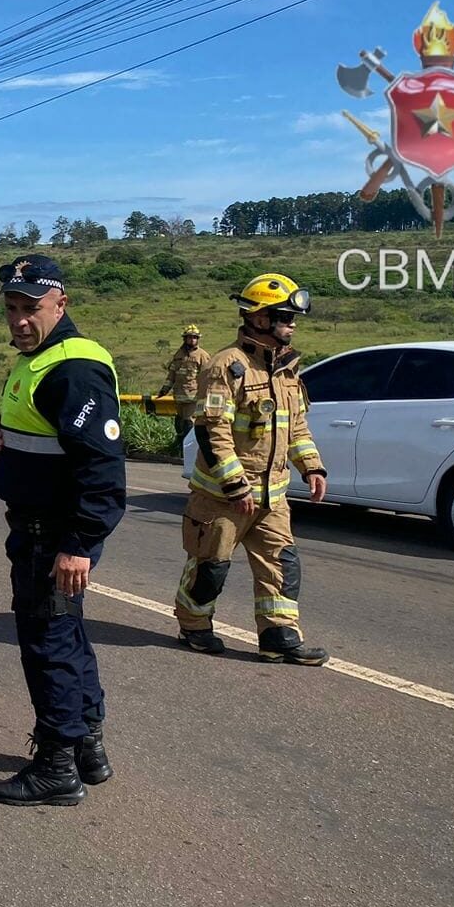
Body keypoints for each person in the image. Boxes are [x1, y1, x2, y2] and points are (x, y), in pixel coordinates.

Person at [0, 255, 125, 807]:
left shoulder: (73, 367)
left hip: (54, 532)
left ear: (60, 304)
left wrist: (79, 544)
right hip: (41, 529)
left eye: (31, 309)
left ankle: (57, 764)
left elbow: (102, 466)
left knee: (48, 643)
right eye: (12, 308)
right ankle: (87, 746)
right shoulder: (35, 360)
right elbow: (41, 430)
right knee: (68, 636)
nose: (19, 320)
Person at [174, 272, 329, 666]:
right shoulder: (227, 366)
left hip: (272, 498)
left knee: (281, 566)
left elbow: (295, 426)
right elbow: (213, 431)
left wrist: (312, 467)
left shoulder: (287, 369)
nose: (292, 325)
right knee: (211, 568)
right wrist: (236, 486)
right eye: (285, 316)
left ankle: (278, 636)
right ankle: (194, 626)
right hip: (222, 500)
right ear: (259, 318)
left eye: (294, 318)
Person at [158, 324, 210, 442]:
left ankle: (188, 448)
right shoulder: (178, 355)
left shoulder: (202, 356)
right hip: (179, 396)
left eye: (195, 337)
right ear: (185, 339)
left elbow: (207, 377)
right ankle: (179, 447)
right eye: (190, 337)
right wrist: (164, 390)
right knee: (179, 422)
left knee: (189, 422)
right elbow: (172, 374)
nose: (192, 340)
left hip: (193, 397)